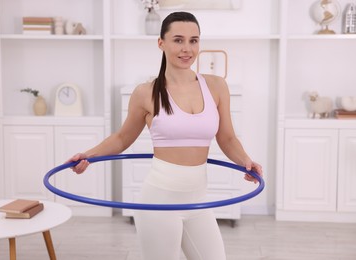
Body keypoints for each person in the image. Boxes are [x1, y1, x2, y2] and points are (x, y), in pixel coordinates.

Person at [67, 11, 263, 260]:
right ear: (161, 43)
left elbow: (228, 138)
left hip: (197, 201)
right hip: (159, 202)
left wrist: (245, 160)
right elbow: (122, 138)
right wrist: (89, 155)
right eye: (178, 40)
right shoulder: (145, 92)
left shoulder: (216, 86)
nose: (187, 48)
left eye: (194, 40)